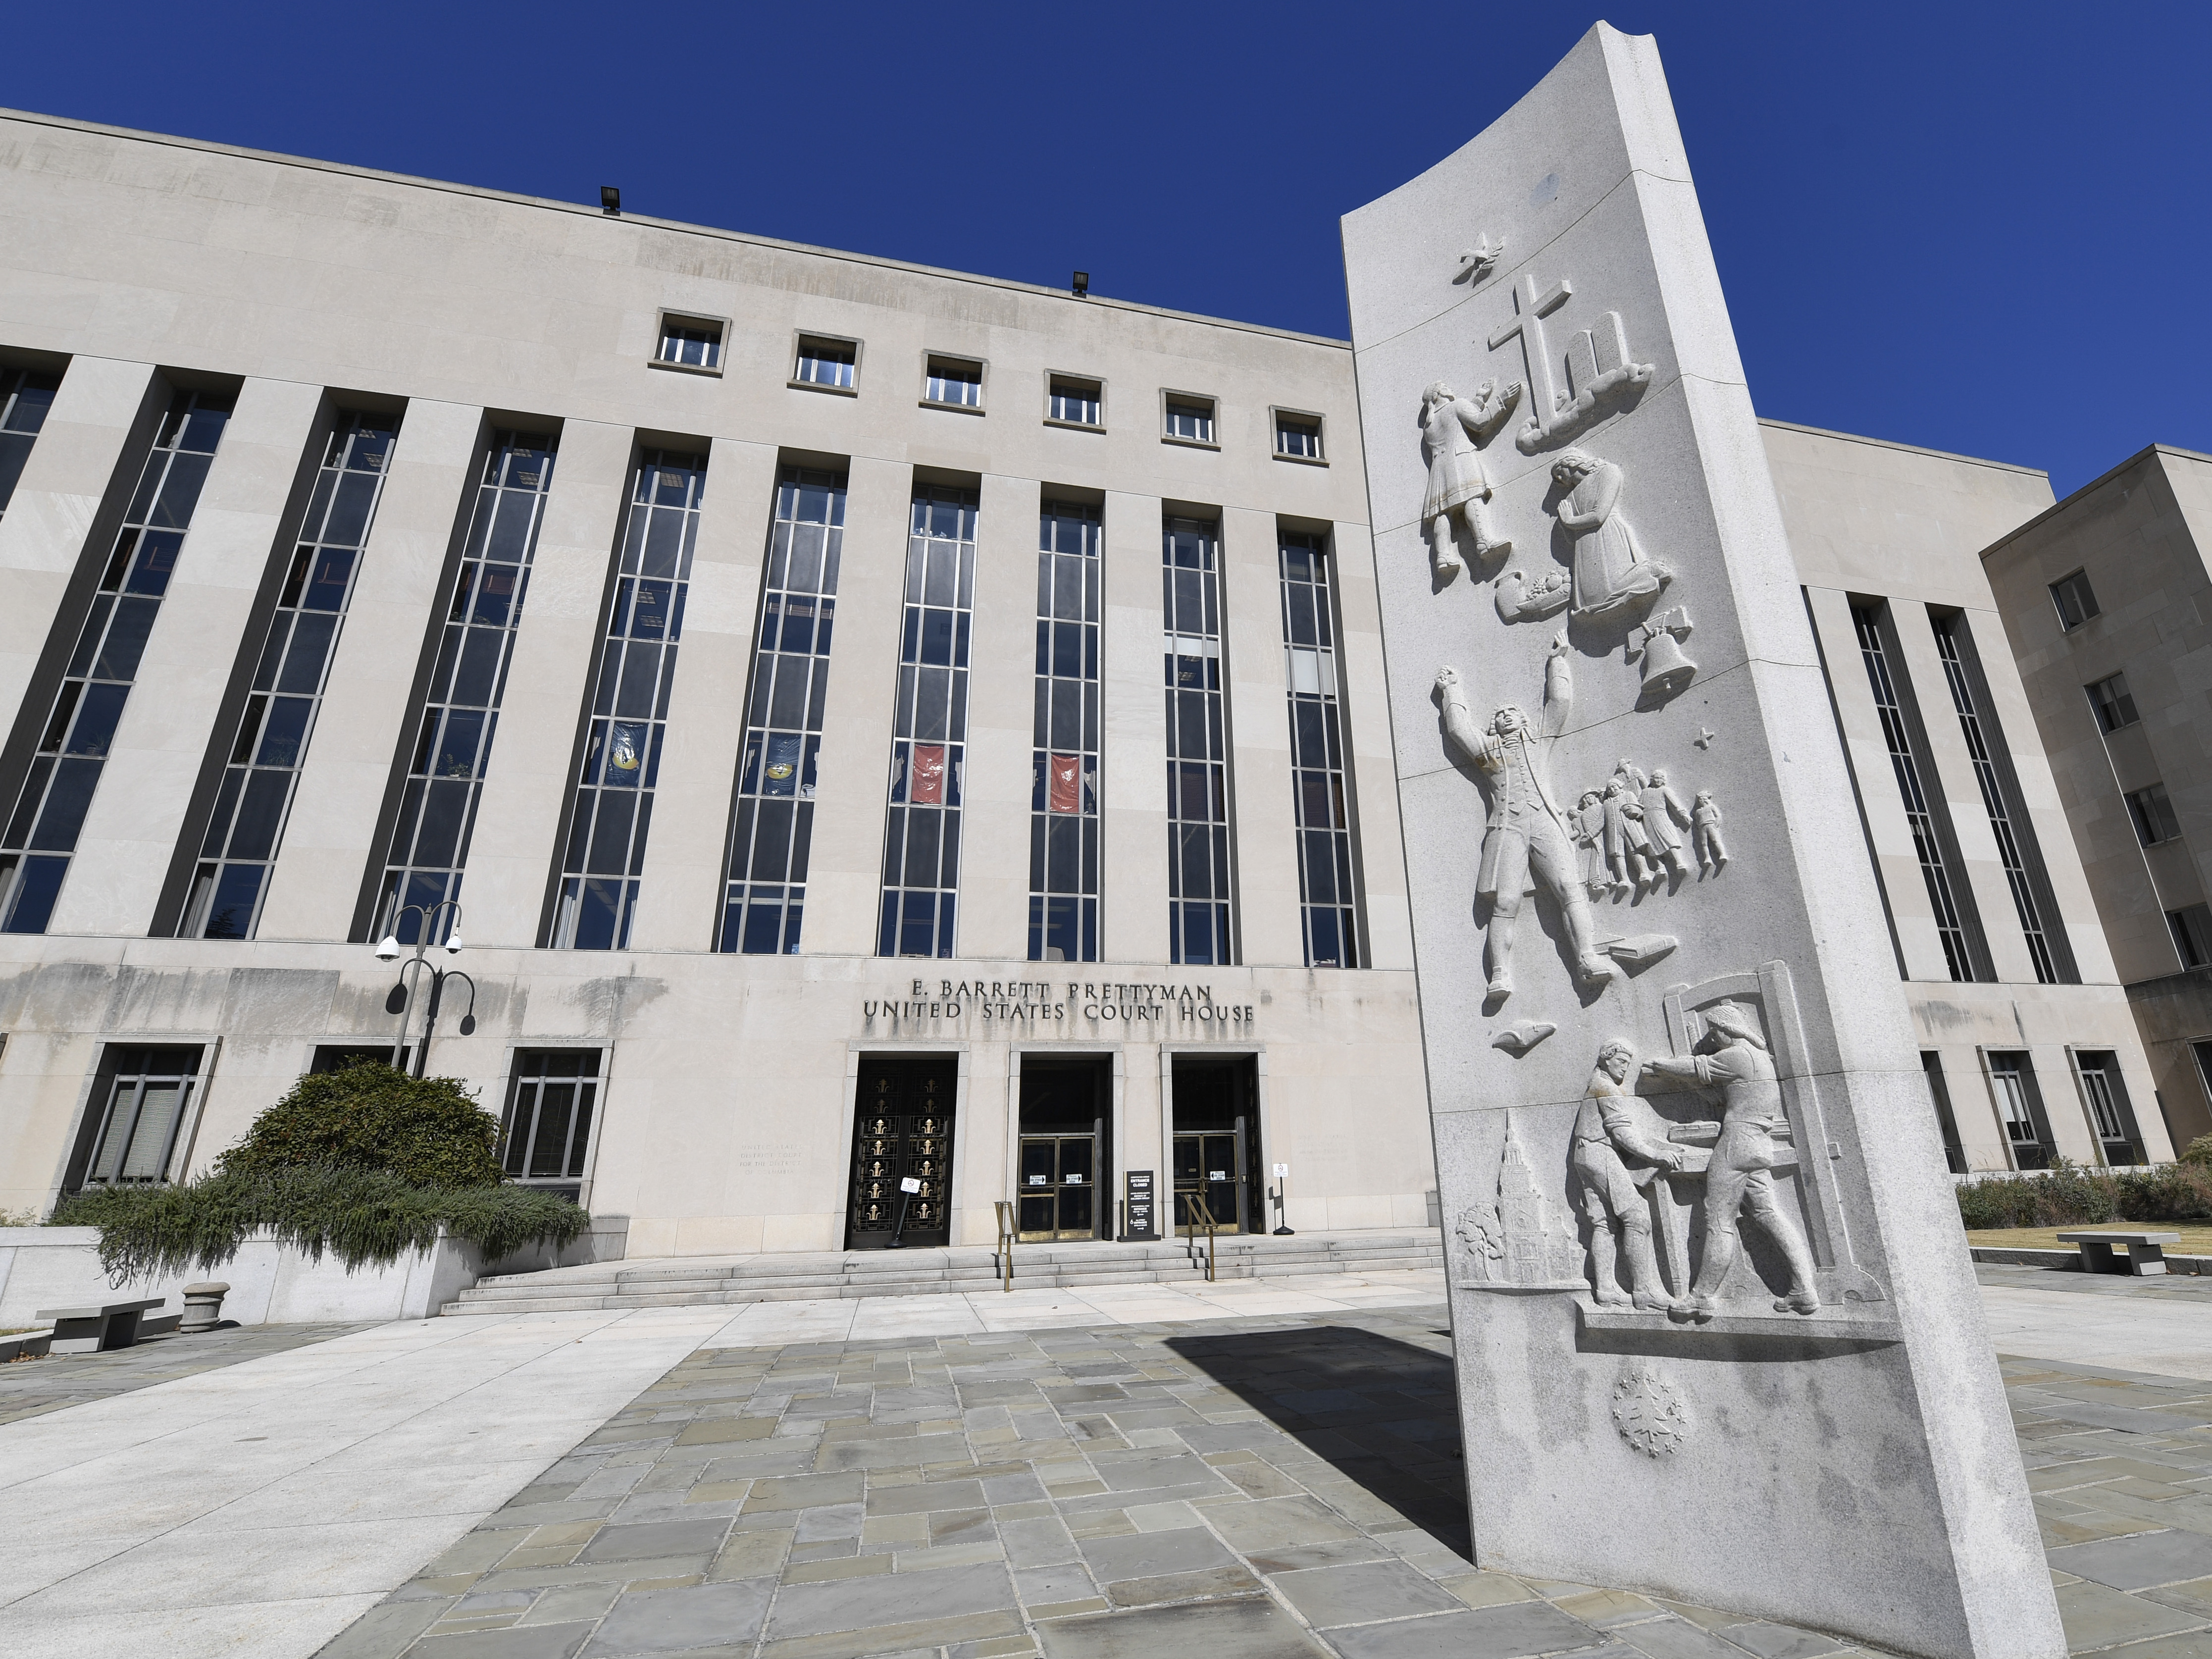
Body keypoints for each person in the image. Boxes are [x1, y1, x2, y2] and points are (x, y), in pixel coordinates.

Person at [1434, 634, 1614, 998]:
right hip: (1507, 828)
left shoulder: (1539, 742)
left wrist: (1557, 662)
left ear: (1524, 719)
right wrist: (1451, 691)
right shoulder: (1488, 754)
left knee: (1569, 889)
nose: (1503, 716)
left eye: (1511, 712)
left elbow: (1558, 703)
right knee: (1505, 903)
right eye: (1498, 715)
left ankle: (1587, 956)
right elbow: (1459, 730)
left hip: (1544, 820)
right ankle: (1500, 975)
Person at [1643, 1002, 1818, 1318]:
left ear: (1729, 1029)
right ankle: (1804, 1290)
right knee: (1768, 1214)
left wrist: (1661, 1065)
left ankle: (1701, 1297)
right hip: (1759, 1145)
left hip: (1736, 1145)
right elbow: (1717, 1093)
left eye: (1715, 1031)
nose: (1713, 1037)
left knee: (1719, 1222)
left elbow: (1695, 1068)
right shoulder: (1761, 1059)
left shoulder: (1738, 1055)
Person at [1571, 1039, 1685, 1310]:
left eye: (1628, 1064)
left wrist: (1651, 1147)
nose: (1624, 1069)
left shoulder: (1596, 1083)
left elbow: (1624, 1133)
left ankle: (1607, 1290)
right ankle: (1643, 1292)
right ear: (1605, 1059)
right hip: (1599, 1152)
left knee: (1604, 1224)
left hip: (1585, 1154)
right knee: (1638, 1217)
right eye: (1620, 1062)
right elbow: (1622, 1133)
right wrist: (1654, 1154)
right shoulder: (1606, 1087)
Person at [1550, 449, 1670, 626]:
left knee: (1614, 584)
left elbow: (1599, 516)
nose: (1559, 480)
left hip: (1607, 534)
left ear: (1572, 462)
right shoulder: (1570, 497)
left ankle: (1650, 572)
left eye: (1559, 472)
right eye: (1556, 478)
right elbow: (1571, 539)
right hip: (1585, 548)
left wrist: (1569, 521)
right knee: (1593, 597)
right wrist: (1564, 524)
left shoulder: (1608, 472)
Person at [1420, 379, 1521, 582]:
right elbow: (1479, 421)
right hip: (1460, 459)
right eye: (1445, 387)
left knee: (1445, 511)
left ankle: (1443, 555)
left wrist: (1480, 398)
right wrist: (1502, 399)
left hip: (1440, 468)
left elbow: (1457, 420)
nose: (1450, 388)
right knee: (1471, 499)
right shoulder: (1456, 406)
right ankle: (1484, 541)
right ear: (1438, 394)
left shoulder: (1428, 425)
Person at [1642, 767, 1693, 881]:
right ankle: (1660, 867)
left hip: (1660, 816)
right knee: (1652, 842)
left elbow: (1675, 805)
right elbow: (1639, 806)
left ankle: (1679, 862)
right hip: (1647, 819)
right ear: (1652, 779)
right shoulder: (1645, 792)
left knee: (1668, 838)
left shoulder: (1665, 790)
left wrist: (1684, 815)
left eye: (1661, 778)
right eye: (1656, 778)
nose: (1658, 780)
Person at [1692, 789, 1728, 872]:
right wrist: (1700, 827)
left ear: (1706, 799)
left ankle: (1723, 854)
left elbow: (1718, 816)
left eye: (1702, 799)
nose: (1700, 801)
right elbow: (1698, 820)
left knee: (1716, 840)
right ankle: (1707, 858)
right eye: (1699, 799)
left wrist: (1716, 826)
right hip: (1702, 826)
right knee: (1704, 843)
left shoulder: (1711, 807)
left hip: (1711, 825)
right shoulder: (1698, 811)